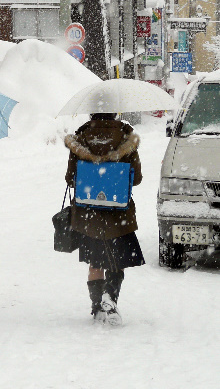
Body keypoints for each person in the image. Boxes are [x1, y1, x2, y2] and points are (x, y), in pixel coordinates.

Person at [64, 113, 144, 326]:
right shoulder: (126, 138)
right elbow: (136, 178)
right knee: (117, 262)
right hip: (118, 214)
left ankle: (97, 307)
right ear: (115, 113)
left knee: (95, 262)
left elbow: (70, 178)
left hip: (88, 214)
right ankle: (110, 296)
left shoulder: (81, 138)